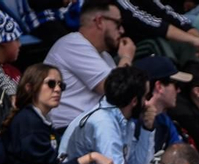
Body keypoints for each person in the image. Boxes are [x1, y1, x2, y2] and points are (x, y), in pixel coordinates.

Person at [44, 0, 137, 130]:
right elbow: (114, 90)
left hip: (91, 129)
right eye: (118, 23)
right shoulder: (73, 45)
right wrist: (126, 57)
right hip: (68, 131)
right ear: (99, 21)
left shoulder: (105, 56)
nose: (122, 30)